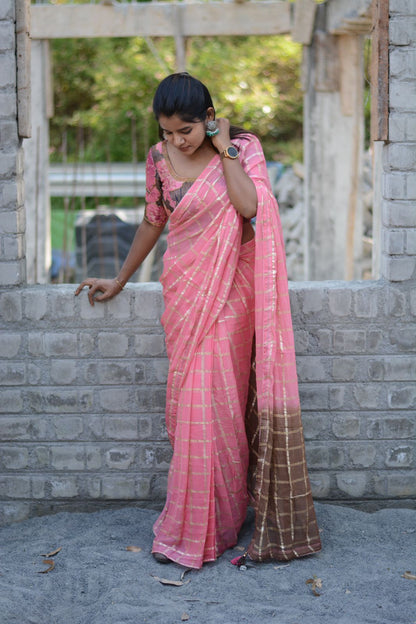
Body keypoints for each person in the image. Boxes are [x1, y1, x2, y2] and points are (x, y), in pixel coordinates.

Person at [75, 72, 322, 569]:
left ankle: (218, 524)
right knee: (196, 408)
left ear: (208, 119)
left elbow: (250, 207)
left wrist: (224, 147)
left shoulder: (243, 150)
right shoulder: (158, 160)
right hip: (185, 290)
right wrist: (121, 279)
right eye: (166, 132)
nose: (174, 141)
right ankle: (197, 523)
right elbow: (153, 220)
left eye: (184, 131)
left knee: (215, 406)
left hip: (231, 292)